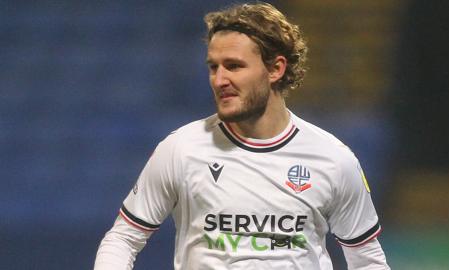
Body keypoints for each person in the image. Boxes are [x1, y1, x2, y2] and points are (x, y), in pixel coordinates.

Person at [94, 2, 390, 269]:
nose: (219, 80)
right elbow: (123, 238)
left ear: (275, 69)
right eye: (213, 67)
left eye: (234, 66)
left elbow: (367, 261)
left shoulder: (333, 158)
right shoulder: (181, 149)